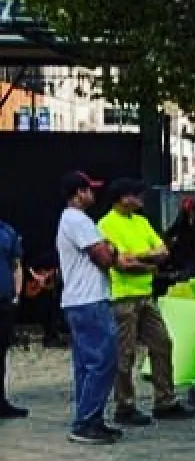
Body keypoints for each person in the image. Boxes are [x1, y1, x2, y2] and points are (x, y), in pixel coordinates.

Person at [97, 178, 195, 425]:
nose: (141, 198)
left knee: (162, 343)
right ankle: (125, 405)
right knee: (125, 353)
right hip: (122, 297)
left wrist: (139, 259)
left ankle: (165, 400)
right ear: (122, 198)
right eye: (136, 194)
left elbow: (163, 251)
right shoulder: (106, 225)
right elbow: (121, 264)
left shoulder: (141, 222)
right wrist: (149, 264)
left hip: (145, 294)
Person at [56, 171, 123, 445]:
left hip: (76, 300)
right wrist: (113, 249)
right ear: (79, 193)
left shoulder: (66, 220)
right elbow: (104, 258)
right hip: (90, 299)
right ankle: (86, 421)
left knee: (86, 363)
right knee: (104, 360)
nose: (93, 195)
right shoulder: (79, 221)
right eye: (89, 190)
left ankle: (90, 419)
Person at [0, 215, 28, 418]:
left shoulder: (7, 231)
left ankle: (1, 402)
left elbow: (17, 264)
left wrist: (17, 294)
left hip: (4, 301)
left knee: (1, 353)